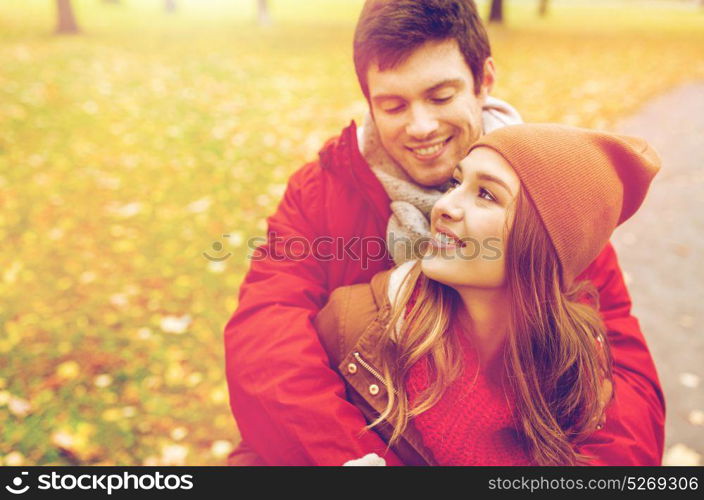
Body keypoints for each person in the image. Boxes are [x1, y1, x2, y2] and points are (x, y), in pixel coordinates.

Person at [224, 0, 665, 465]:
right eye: (393, 105)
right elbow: (266, 337)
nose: (421, 127)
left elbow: (621, 368)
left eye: (440, 97)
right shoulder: (322, 193)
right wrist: (354, 460)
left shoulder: (550, 197)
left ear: (483, 81)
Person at [314, 123, 661, 465]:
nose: (444, 206)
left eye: (486, 194)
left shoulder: (577, 374)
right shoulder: (356, 326)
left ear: (541, 243)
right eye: (456, 182)